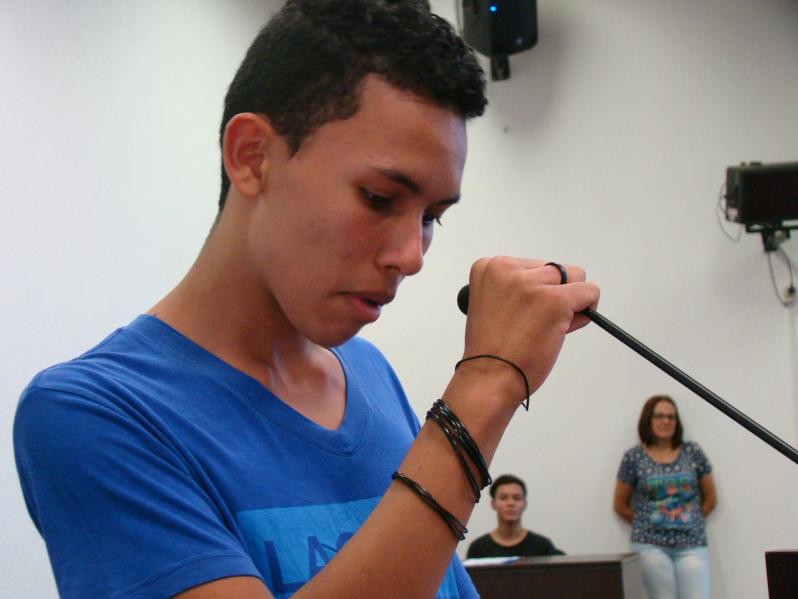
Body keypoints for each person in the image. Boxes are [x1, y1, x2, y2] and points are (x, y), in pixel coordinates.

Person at [13, 1, 600, 598]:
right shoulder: (91, 413)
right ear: (252, 156)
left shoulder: (368, 374)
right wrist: (486, 384)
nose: (412, 256)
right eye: (378, 198)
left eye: (431, 217)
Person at [613, 395, 717, 599]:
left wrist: (690, 520)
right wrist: (648, 522)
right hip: (650, 546)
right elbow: (620, 504)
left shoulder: (693, 452)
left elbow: (711, 499)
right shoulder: (633, 457)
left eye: (671, 417)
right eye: (659, 416)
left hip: (691, 544)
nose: (666, 421)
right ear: (648, 420)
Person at [466, 474, 564, 559]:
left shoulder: (542, 547)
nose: (511, 503)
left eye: (517, 498)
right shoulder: (478, 548)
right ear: (493, 503)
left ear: (525, 504)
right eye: (503, 498)